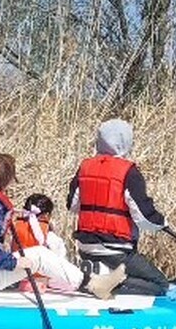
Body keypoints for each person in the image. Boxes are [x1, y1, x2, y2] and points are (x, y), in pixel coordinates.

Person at [0, 152, 87, 294]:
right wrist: (13, 263)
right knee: (40, 255)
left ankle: (85, 281)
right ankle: (89, 283)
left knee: (26, 255)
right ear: (5, 178)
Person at [67, 118, 168, 296]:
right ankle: (107, 283)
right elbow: (144, 218)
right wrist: (161, 223)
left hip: (85, 248)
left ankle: (97, 276)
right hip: (116, 251)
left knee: (133, 271)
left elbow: (72, 205)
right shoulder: (129, 172)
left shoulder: (84, 167)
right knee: (159, 283)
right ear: (126, 142)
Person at [10, 193, 75, 292]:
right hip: (41, 278)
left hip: (17, 276)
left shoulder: (16, 227)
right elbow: (60, 259)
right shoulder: (50, 237)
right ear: (47, 215)